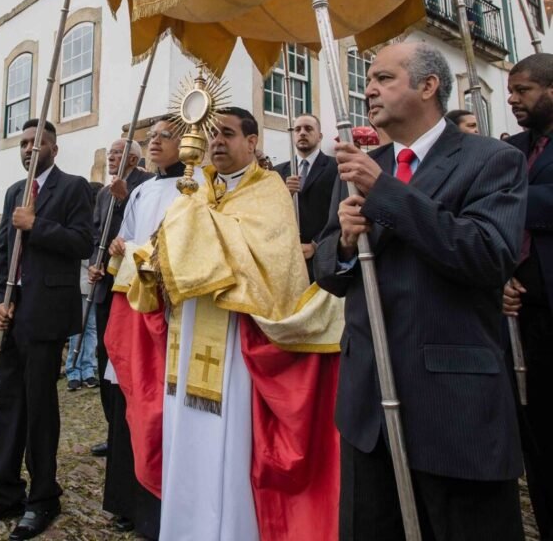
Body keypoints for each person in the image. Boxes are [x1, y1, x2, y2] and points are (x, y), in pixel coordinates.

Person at [314, 43, 527, 541]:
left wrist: (386, 193)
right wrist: (344, 242)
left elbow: (487, 254)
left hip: (452, 405)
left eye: (385, 78)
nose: (368, 89)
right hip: (368, 404)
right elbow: (329, 271)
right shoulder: (361, 167)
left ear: (428, 86)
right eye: (368, 79)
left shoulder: (491, 160)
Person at [109, 109, 342, 541]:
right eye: (213, 134)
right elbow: (166, 248)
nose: (217, 142)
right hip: (188, 333)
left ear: (253, 143)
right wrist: (148, 257)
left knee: (227, 446)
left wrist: (193, 234)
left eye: (229, 135)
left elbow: (266, 263)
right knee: (185, 439)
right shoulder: (195, 192)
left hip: (236, 343)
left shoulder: (268, 191)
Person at [0, 119, 93, 539]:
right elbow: (2, 253)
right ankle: (3, 493)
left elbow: (83, 243)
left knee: (40, 408)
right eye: (22, 143)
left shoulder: (73, 188)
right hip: (13, 315)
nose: (28, 150)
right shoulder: (14, 192)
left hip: (48, 313)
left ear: (54, 147)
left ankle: (43, 498)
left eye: (37, 143)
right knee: (9, 405)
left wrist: (38, 226)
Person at [503, 52, 553, 540]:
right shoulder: (513, 149)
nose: (513, 100)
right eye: (511, 91)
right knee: (537, 439)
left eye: (524, 91)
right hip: (521, 311)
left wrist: (511, 195)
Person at [91, 138, 151, 457]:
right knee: (106, 359)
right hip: (104, 288)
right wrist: (93, 263)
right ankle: (112, 429)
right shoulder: (102, 193)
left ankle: (133, 430)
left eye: (118, 153)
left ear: (133, 160)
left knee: (130, 362)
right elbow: (95, 233)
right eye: (110, 152)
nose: (112, 157)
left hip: (133, 288)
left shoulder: (148, 185)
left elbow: (143, 227)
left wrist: (125, 198)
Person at [273, 113, 337, 278]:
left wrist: (316, 245)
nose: (302, 133)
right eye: (298, 129)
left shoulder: (335, 168)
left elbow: (338, 211)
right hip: (286, 258)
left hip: (322, 259)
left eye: (308, 129)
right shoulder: (278, 172)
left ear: (320, 136)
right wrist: (284, 194)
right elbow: (269, 215)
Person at [64, 181, 103, 392]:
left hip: (95, 286)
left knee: (92, 330)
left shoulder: (99, 222)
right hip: (80, 284)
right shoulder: (81, 220)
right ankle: (73, 370)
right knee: (77, 331)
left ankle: (88, 370)